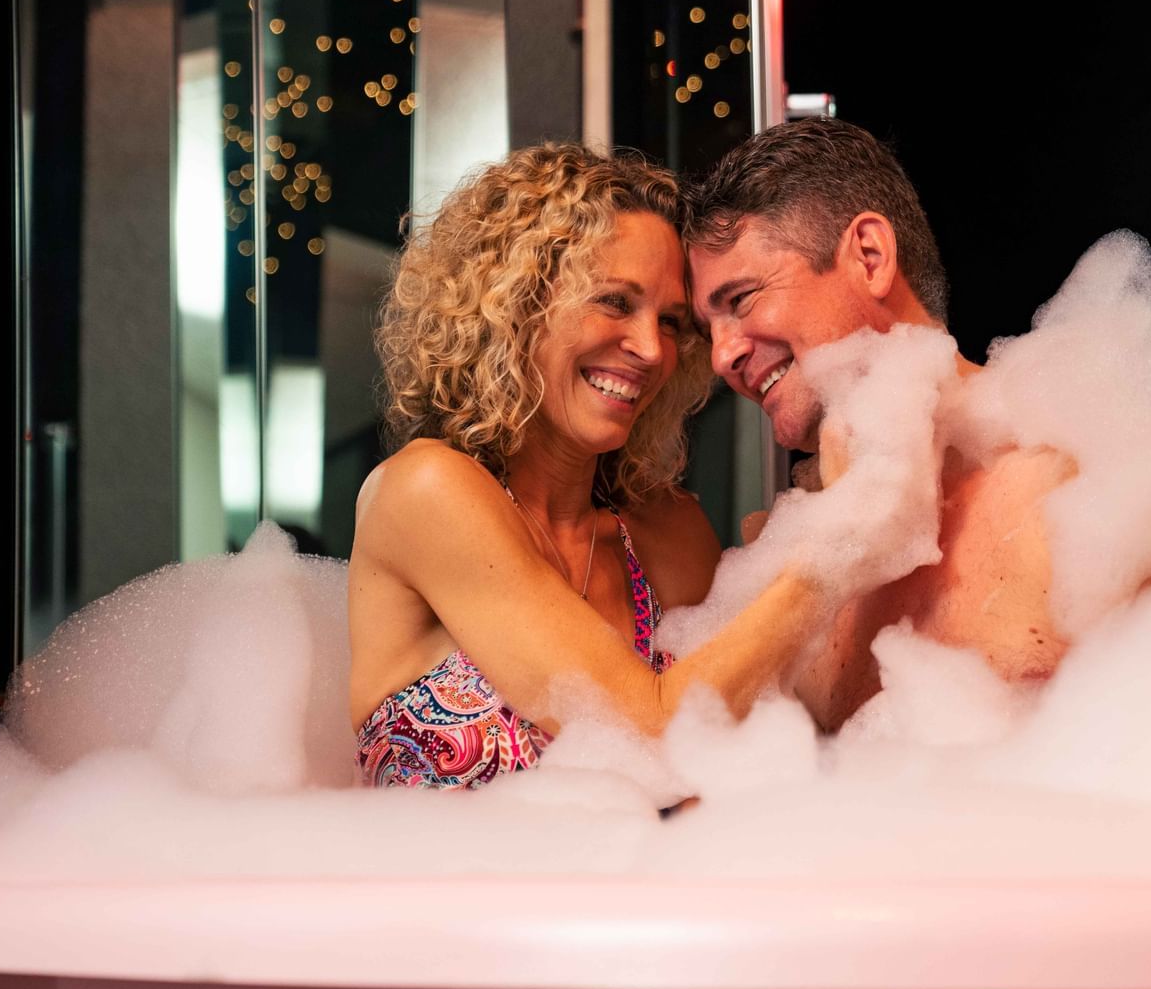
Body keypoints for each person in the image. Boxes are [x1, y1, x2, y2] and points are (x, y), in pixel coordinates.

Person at [347, 143, 896, 788]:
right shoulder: (426, 491)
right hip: (431, 887)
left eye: (670, 322)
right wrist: (836, 542)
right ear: (516, 305)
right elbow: (653, 735)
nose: (649, 348)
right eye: (614, 302)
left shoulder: (668, 532)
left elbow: (732, 775)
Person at [685, 119, 1151, 731]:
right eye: (707, 331)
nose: (722, 356)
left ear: (870, 256)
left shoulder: (1102, 482)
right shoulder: (786, 560)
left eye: (741, 299)